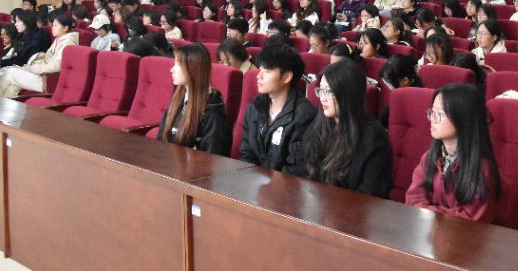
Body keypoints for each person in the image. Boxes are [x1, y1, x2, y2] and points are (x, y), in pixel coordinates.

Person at [405, 83, 503, 222]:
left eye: (440, 114)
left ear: (463, 118)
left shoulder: (482, 168)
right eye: (432, 112)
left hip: (469, 235)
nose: (433, 119)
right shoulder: (430, 157)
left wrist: (430, 211)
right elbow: (413, 199)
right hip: (433, 230)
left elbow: (468, 220)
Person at [300, 59, 393, 197]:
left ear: (348, 94)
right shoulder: (319, 123)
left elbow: (371, 195)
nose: (322, 98)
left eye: (329, 92)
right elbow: (303, 170)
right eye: (321, 91)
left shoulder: (374, 138)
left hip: (353, 208)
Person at [238, 44, 317, 172]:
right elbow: (246, 154)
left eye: (267, 71)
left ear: (286, 77)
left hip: (285, 183)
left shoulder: (305, 116)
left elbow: (296, 170)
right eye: (260, 69)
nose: (259, 76)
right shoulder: (255, 107)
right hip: (252, 180)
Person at [157, 43, 231, 156]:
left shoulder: (213, 112)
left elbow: (212, 157)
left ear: (193, 69)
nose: (172, 70)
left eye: (178, 65)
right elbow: (161, 140)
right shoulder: (178, 99)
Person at [0, 13, 78, 99]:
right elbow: (48, 57)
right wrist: (39, 59)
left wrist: (34, 68)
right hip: (44, 74)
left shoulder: (68, 42)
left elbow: (56, 66)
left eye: (56, 26)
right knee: (11, 84)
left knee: (10, 73)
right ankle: (5, 104)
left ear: (65, 28)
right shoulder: (59, 39)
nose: (52, 28)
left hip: (50, 81)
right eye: (52, 25)